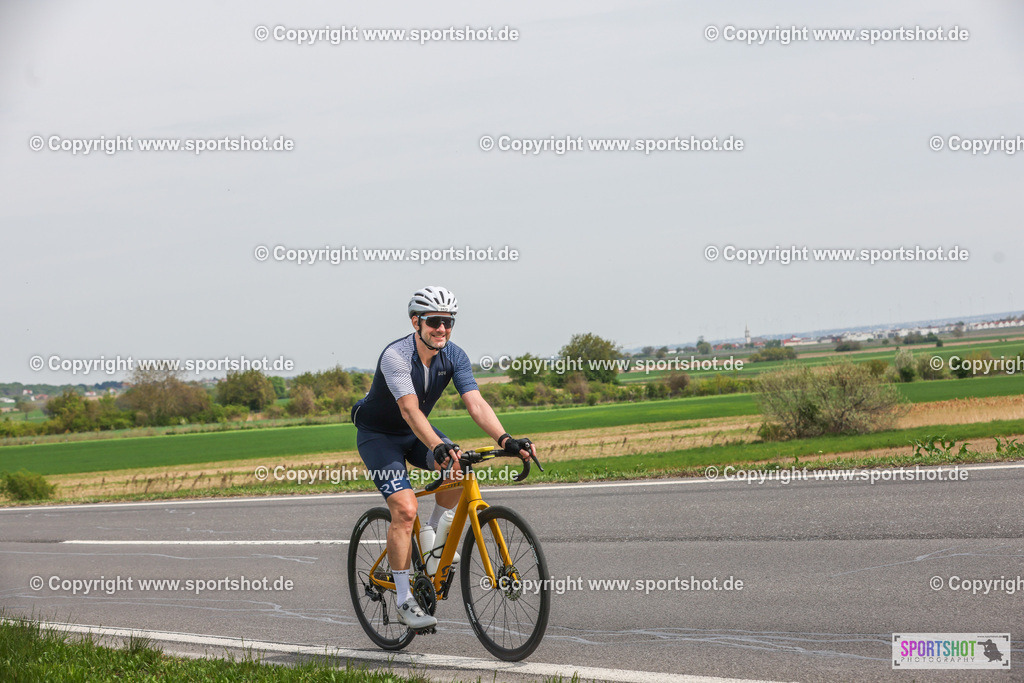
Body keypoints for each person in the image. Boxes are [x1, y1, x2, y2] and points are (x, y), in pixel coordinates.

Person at [351, 286, 537, 630]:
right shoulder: (395, 355)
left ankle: (433, 534)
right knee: (405, 510)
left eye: (448, 322)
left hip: (415, 430)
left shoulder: (455, 355)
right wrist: (436, 444)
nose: (442, 329)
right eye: (434, 321)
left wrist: (505, 439)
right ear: (416, 322)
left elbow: (476, 403)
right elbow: (408, 410)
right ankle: (405, 599)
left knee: (458, 467)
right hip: (379, 437)